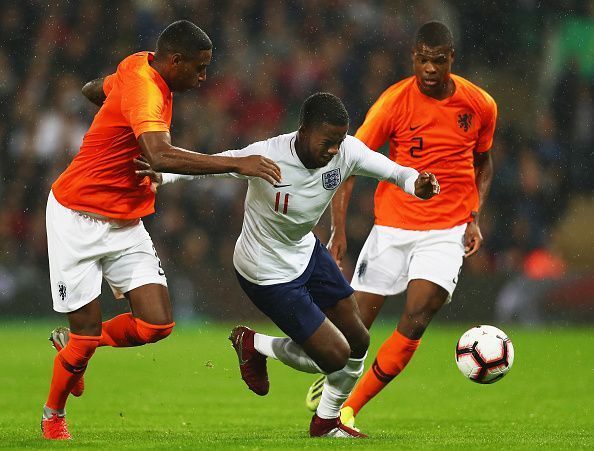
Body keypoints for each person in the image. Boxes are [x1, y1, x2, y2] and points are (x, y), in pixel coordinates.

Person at [147, 92, 439, 437]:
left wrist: (416, 183)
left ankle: (326, 423)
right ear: (303, 130)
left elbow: (393, 171)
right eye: (327, 141)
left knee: (358, 341)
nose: (334, 150)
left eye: (339, 141)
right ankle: (254, 345)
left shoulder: (346, 151)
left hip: (306, 252)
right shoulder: (268, 155)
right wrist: (162, 176)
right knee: (334, 356)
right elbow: (212, 164)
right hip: (265, 270)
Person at [41, 20, 281, 441]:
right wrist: (236, 164)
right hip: (76, 216)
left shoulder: (138, 64)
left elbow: (94, 89)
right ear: (174, 61)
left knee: (156, 325)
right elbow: (160, 154)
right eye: (199, 68)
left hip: (125, 220)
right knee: (84, 334)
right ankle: (53, 416)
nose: (204, 76)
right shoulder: (148, 89)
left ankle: (78, 348)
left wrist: (110, 105)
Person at [305, 21, 497, 428]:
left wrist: (474, 216)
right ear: (414, 57)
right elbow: (348, 164)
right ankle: (319, 370)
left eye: (438, 60)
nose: (429, 68)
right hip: (392, 227)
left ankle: (348, 407)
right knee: (351, 331)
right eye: (423, 60)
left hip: (446, 230)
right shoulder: (393, 103)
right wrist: (339, 230)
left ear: (451, 60)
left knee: (417, 315)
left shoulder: (479, 104)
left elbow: (483, 161)